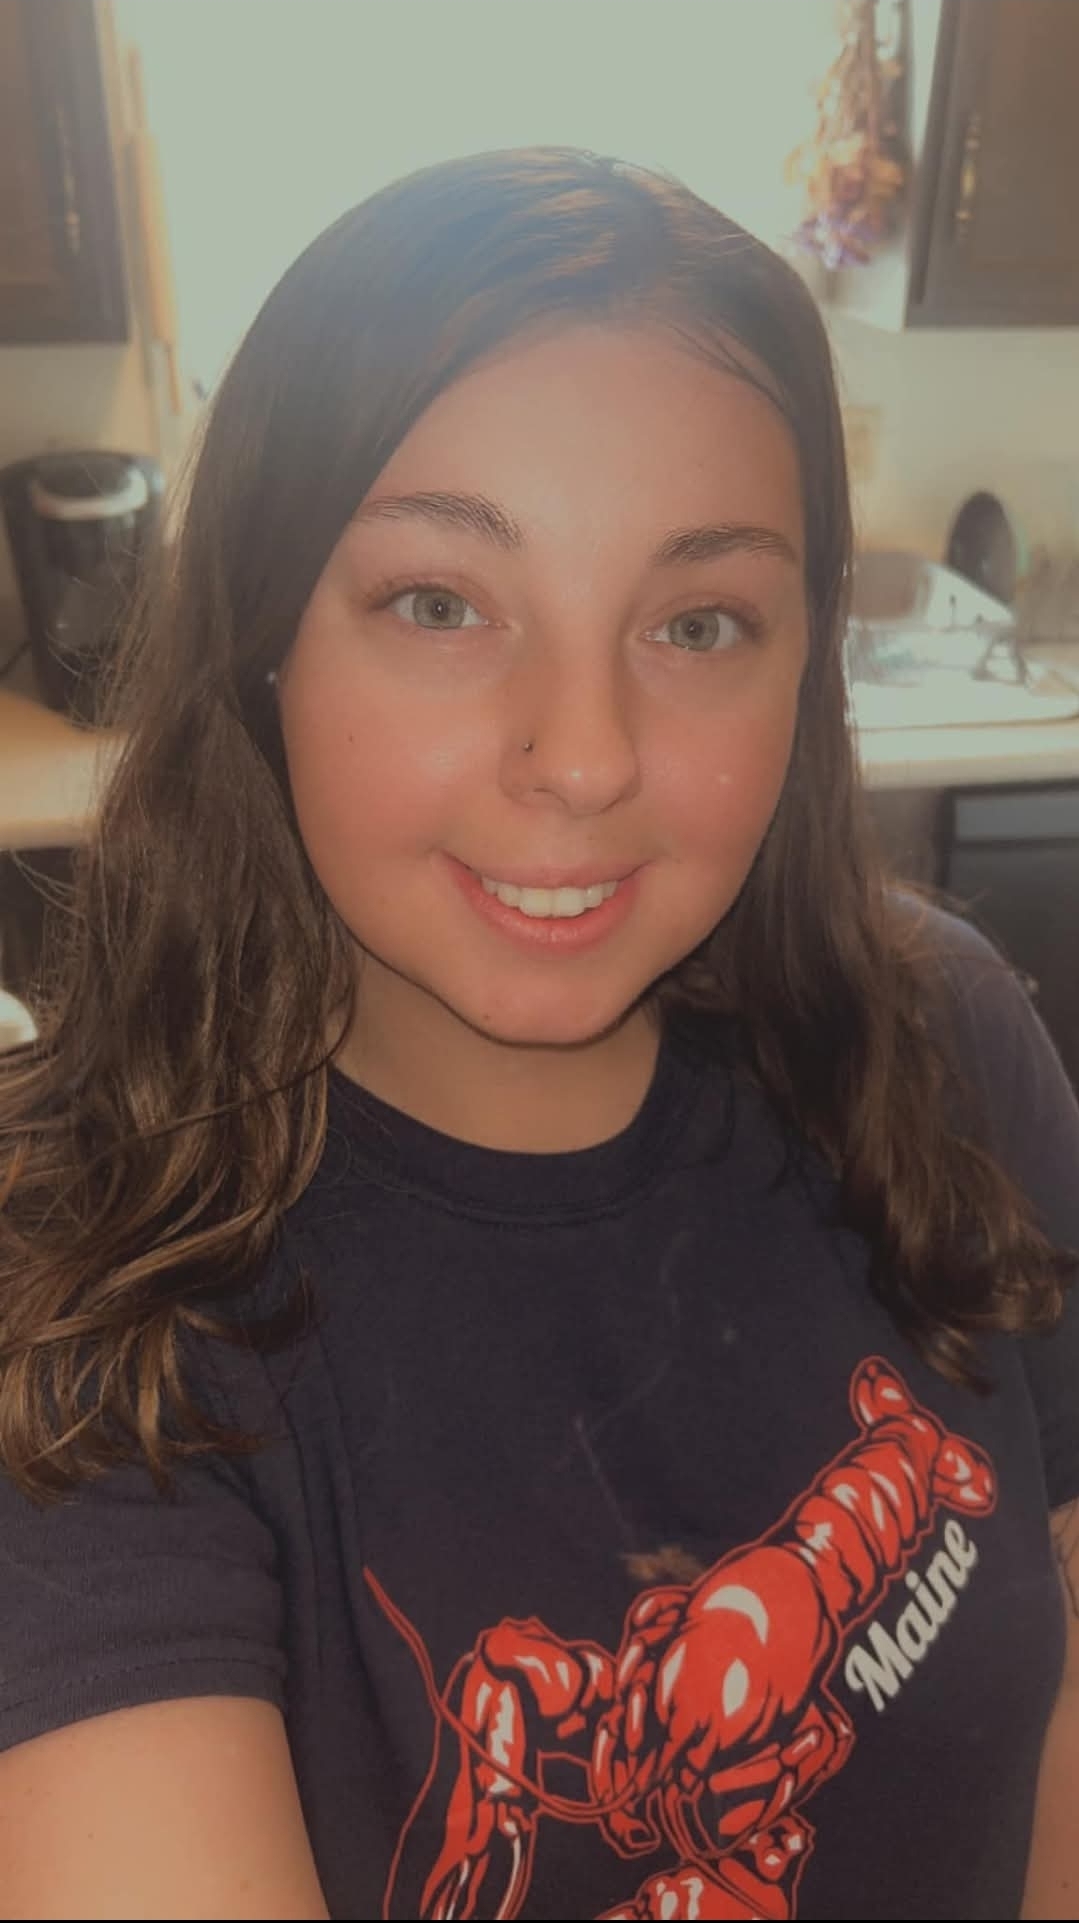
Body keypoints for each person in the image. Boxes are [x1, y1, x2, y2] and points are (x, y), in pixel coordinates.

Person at [0, 146, 1076, 1923]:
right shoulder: (78, 1298)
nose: (582, 756)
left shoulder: (940, 1035)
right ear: (265, 634)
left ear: (804, 663)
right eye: (440, 604)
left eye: (699, 622)